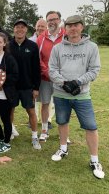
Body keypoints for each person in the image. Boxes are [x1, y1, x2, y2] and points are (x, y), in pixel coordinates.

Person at [49, 15, 104, 179]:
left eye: (76, 25)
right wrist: (65, 83)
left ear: (82, 27)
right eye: (69, 25)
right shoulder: (57, 48)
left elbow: (94, 70)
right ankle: (63, 148)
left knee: (90, 126)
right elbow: (52, 69)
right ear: (65, 28)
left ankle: (94, 160)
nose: (72, 28)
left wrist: (77, 82)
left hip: (82, 95)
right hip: (60, 93)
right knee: (62, 122)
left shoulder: (92, 47)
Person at [9, 19, 41, 150]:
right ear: (14, 29)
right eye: (17, 27)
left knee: (31, 111)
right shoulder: (8, 45)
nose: (20, 29)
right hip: (12, 86)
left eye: (22, 27)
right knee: (10, 110)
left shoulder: (32, 46)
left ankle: (34, 136)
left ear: (26, 30)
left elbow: (36, 68)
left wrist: (36, 87)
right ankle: (10, 131)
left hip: (27, 86)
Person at [36, 11, 66, 142]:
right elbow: (38, 58)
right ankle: (44, 130)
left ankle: (64, 133)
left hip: (63, 78)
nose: (52, 22)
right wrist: (47, 72)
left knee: (63, 105)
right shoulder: (41, 38)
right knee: (45, 104)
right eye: (49, 20)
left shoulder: (66, 35)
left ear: (59, 20)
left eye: (54, 19)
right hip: (46, 78)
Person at [29, 19, 54, 128]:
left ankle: (48, 120)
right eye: (38, 26)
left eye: (42, 26)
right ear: (35, 27)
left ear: (46, 28)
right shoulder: (30, 40)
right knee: (32, 98)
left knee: (47, 99)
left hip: (45, 74)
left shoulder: (49, 39)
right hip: (33, 74)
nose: (40, 28)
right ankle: (33, 118)